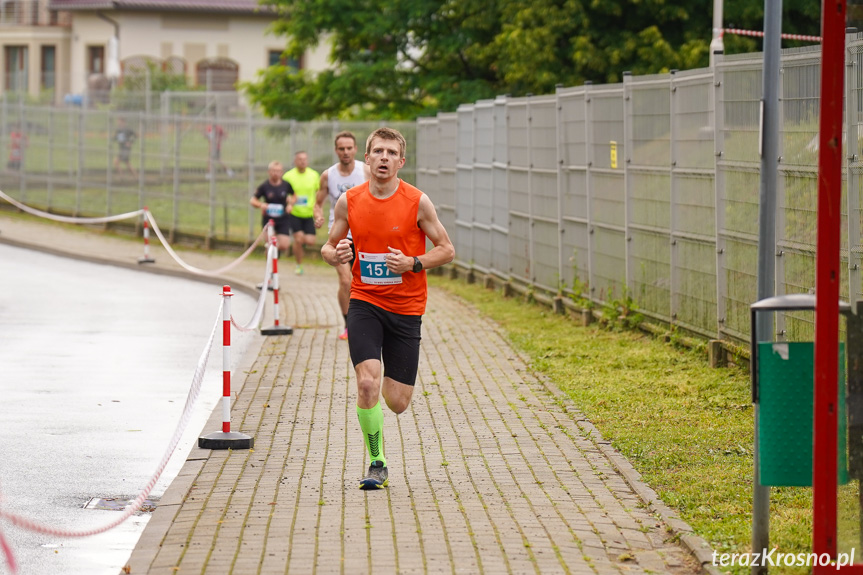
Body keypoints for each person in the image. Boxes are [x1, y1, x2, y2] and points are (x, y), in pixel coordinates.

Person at [321, 127, 455, 490]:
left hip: (407, 307)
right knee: (367, 381)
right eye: (377, 151)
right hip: (365, 301)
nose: (383, 157)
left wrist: (413, 263)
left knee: (397, 402)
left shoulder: (417, 201)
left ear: (401, 161)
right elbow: (329, 246)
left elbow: (446, 249)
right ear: (367, 158)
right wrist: (338, 254)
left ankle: (381, 399)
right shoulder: (349, 200)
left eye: (390, 152)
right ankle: (376, 461)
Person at [314, 131, 370, 340]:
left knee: (363, 280)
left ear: (355, 150)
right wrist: (318, 216)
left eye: (349, 148)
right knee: (346, 281)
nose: (345, 152)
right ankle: (349, 325)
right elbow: (318, 203)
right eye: (341, 148)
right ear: (336, 150)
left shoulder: (366, 171)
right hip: (339, 234)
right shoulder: (328, 175)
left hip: (364, 234)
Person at [250, 160, 295, 289]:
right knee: (270, 247)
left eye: (278, 171)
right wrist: (261, 205)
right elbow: (253, 200)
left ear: (282, 172)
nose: (276, 173)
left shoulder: (286, 185)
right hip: (269, 221)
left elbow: (294, 195)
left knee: (284, 245)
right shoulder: (265, 186)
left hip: (283, 220)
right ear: (269, 172)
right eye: (273, 171)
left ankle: (274, 259)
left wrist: (291, 203)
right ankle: (270, 276)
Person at [283, 151, 320, 275]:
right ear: (295, 161)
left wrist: (317, 209)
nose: (302, 161)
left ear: (307, 161)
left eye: (304, 159)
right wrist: (288, 200)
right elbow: (284, 192)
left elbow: (318, 192)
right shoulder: (288, 176)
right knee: (298, 239)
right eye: (299, 159)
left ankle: (296, 245)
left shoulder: (314, 175)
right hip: (294, 213)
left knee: (310, 241)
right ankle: (299, 265)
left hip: (308, 213)